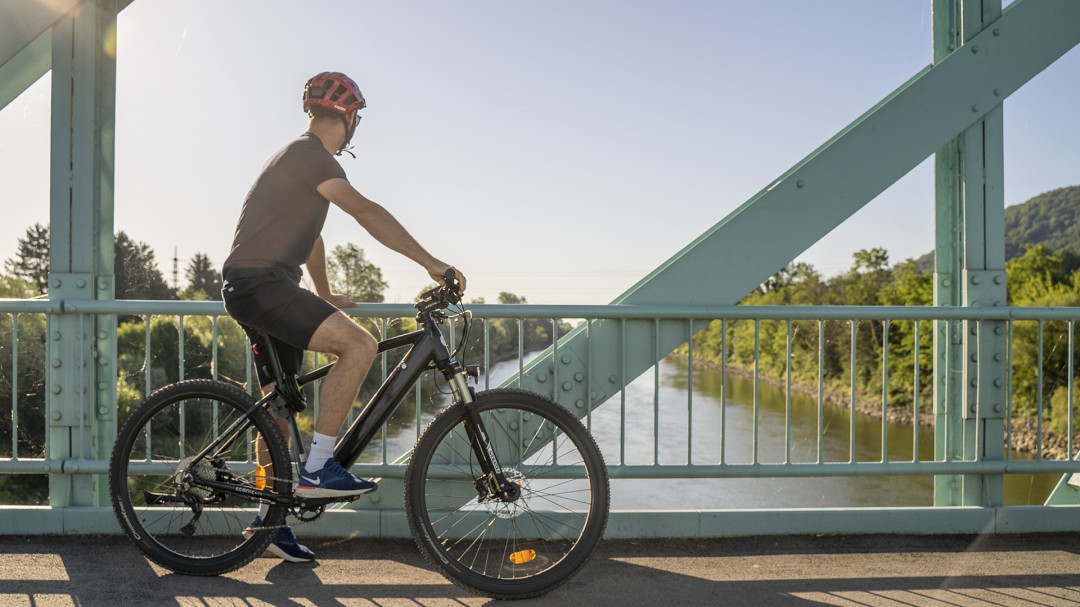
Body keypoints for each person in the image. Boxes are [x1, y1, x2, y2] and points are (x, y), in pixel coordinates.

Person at [221, 71, 465, 562]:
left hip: (255, 286)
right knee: (360, 345)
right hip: (262, 285)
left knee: (278, 408)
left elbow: (309, 235)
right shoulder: (311, 155)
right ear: (350, 116)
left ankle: (267, 524)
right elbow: (366, 211)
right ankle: (317, 469)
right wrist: (432, 263)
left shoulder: (299, 160)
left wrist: (326, 291)